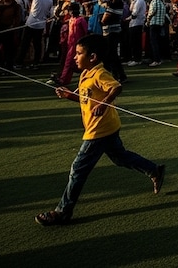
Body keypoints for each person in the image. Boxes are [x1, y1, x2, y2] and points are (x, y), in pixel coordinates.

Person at [34, 34, 165, 226]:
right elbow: (86, 99)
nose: (75, 57)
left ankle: (62, 212)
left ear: (93, 57)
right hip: (108, 127)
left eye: (79, 54)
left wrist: (104, 104)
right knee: (120, 157)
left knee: (78, 170)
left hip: (98, 131)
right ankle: (154, 170)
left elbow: (116, 87)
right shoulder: (86, 74)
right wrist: (69, 96)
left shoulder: (99, 73)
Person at [47, 2, 89, 87]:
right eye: (71, 10)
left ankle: (63, 79)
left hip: (78, 45)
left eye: (74, 10)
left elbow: (86, 32)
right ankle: (64, 79)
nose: (72, 12)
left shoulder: (81, 20)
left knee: (71, 63)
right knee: (70, 63)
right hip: (70, 45)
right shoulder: (71, 20)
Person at [15, 0, 55, 70]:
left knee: (25, 44)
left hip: (30, 23)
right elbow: (51, 14)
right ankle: (36, 63)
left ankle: (19, 63)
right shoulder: (50, 0)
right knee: (37, 45)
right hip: (40, 25)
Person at [127, 0, 146, 66]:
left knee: (136, 42)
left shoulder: (139, 1)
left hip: (136, 23)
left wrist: (127, 19)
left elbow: (134, 13)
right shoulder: (134, 1)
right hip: (133, 23)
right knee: (134, 42)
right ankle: (135, 58)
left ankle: (137, 59)